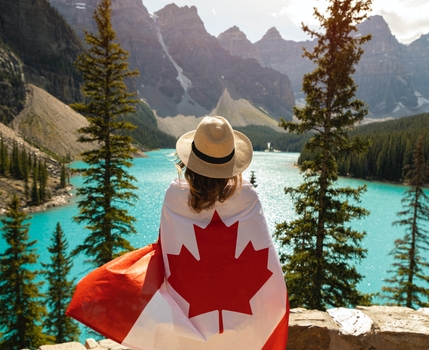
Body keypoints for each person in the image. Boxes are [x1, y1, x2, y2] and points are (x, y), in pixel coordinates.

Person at [67, 116, 288, 349]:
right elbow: (266, 259)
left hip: (187, 323)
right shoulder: (248, 197)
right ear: (231, 165)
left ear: (190, 163)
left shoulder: (175, 195)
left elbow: (166, 249)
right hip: (246, 324)